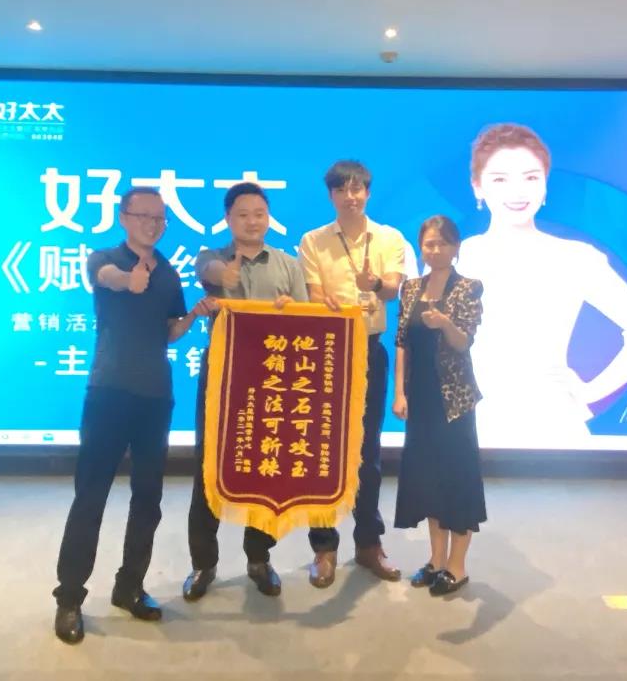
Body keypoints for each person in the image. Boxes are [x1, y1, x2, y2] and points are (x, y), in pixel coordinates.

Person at [52, 187, 212, 645]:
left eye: (159, 218)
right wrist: (129, 280)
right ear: (123, 217)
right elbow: (106, 278)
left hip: (155, 398)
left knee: (148, 498)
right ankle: (69, 598)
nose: (152, 224)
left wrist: (192, 317)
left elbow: (168, 332)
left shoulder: (169, 273)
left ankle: (130, 587)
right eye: (143, 216)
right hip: (108, 393)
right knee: (91, 496)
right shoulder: (105, 258)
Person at [456, 123, 627, 448]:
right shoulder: (460, 256)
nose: (517, 192)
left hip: (551, 423)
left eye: (531, 178)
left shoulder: (575, 258)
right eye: (500, 179)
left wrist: (590, 391)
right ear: (478, 187)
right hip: (470, 422)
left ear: (545, 184)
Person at [183, 182, 308, 601]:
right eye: (242, 214)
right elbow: (211, 273)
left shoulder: (288, 265)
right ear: (228, 219)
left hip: (271, 377)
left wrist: (292, 311)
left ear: (268, 217)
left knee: (265, 465)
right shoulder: (210, 256)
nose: (252, 221)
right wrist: (227, 275)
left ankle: (259, 558)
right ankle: (203, 564)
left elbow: (306, 322)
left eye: (259, 213)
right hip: (223, 374)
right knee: (209, 466)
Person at [297, 160, 406, 587]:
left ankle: (368, 544)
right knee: (322, 450)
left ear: (368, 192)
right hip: (326, 352)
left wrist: (373, 285)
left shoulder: (389, 237)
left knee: (368, 453)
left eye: (357, 188)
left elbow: (393, 288)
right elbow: (314, 294)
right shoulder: (313, 241)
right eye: (342, 190)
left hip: (369, 349)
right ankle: (323, 548)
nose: (350, 196)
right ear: (331, 196)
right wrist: (325, 305)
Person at [393, 215, 486, 596]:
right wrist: (399, 393)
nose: (435, 250)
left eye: (443, 243)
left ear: (456, 247)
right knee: (429, 479)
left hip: (454, 400)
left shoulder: (469, 287)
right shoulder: (410, 288)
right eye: (429, 244)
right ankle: (435, 560)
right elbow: (402, 342)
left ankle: (457, 566)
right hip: (421, 398)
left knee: (456, 478)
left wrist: (446, 323)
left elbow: (464, 342)